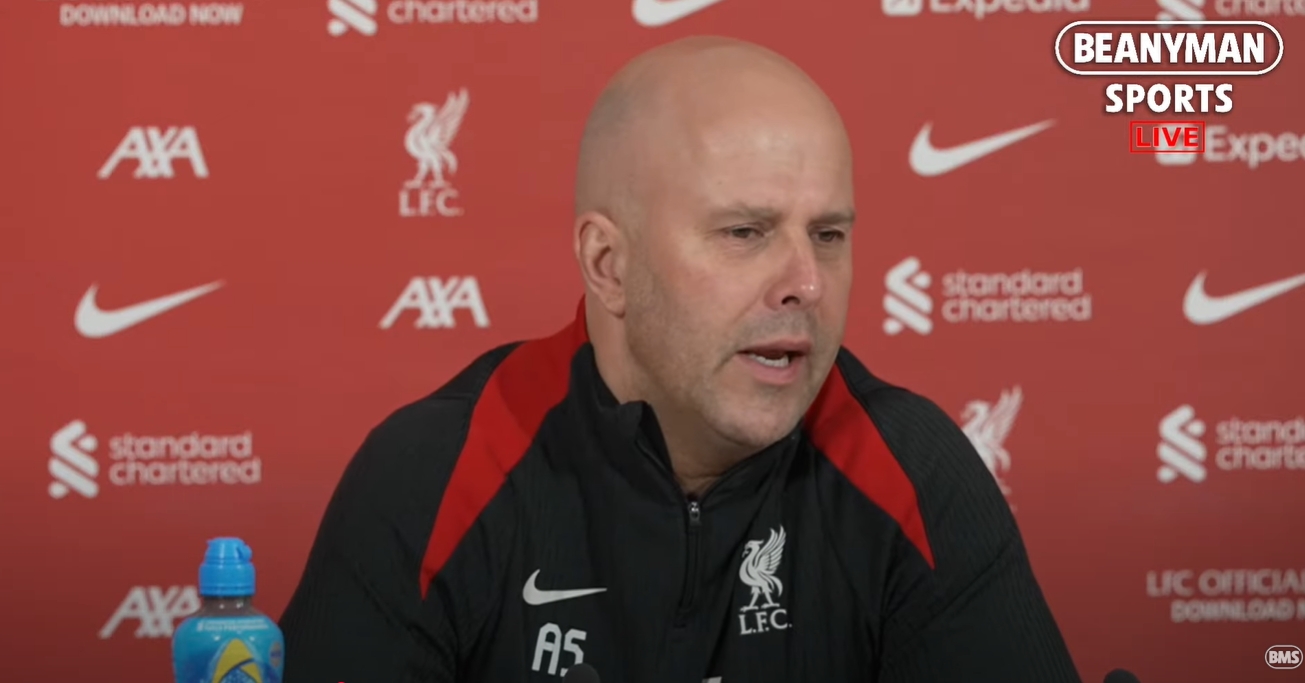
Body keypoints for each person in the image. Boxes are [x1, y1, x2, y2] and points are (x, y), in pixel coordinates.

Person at [279, 36, 1082, 683]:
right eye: (745, 232)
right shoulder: (432, 473)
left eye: (828, 235)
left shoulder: (912, 469)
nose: (805, 282)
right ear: (608, 264)